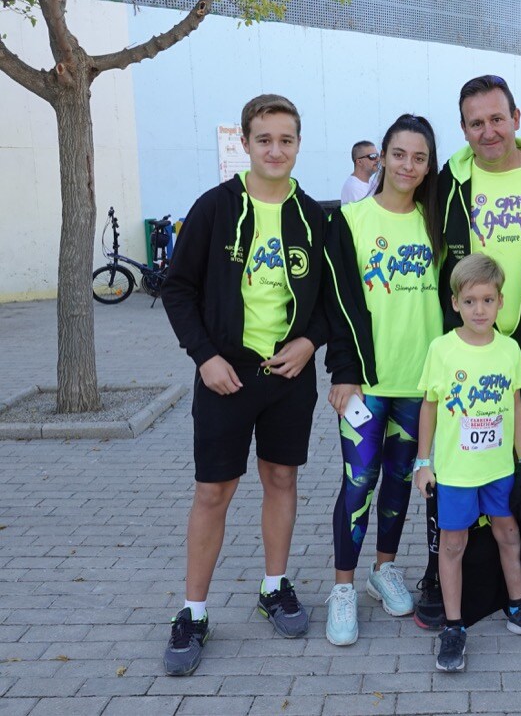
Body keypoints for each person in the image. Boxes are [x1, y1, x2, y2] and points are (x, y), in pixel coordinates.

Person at [160, 94, 327, 676]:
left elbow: (333, 302)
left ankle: (274, 586)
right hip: (225, 376)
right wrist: (204, 357)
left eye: (286, 139)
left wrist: (310, 343)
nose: (275, 150)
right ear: (246, 144)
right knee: (214, 492)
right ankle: (194, 611)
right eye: (264, 140)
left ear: (298, 144)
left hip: (287, 378)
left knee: (281, 478)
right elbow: (176, 288)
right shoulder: (214, 208)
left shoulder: (315, 216)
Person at [413, 75, 521, 627]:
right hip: (465, 349)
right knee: (452, 456)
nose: (488, 131)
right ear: (463, 129)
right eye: (475, 122)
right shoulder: (449, 182)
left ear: (516, 117)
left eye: (496, 118)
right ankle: (443, 566)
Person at [322, 115, 444, 645]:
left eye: (419, 157)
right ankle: (343, 588)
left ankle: (383, 569)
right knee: (358, 483)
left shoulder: (437, 222)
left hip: (421, 386)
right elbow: (338, 304)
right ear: (381, 157)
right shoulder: (350, 221)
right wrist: (343, 372)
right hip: (368, 384)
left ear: (428, 164)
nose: (408, 166)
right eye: (398, 154)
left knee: (400, 482)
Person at [415, 253, 521, 672]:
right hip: (457, 473)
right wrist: (424, 462)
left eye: (489, 300)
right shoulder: (442, 349)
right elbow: (429, 406)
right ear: (456, 303)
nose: (480, 309)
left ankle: (518, 609)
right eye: (471, 300)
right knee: (453, 544)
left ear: (500, 302)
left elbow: (516, 405)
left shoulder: (509, 349)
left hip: (498, 470)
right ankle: (454, 626)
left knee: (509, 535)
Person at [341, 140, 380, 204]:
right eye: (373, 156)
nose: (378, 159)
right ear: (359, 162)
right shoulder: (353, 187)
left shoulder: (371, 182)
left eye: (378, 155)